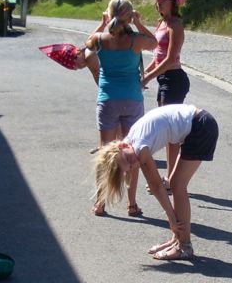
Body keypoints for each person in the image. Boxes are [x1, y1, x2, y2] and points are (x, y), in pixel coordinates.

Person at [93, 103, 217, 260]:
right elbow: (156, 186)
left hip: (201, 126)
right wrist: (172, 220)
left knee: (178, 186)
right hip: (199, 123)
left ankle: (184, 246)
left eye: (130, 160)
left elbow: (157, 185)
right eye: (130, 167)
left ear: (122, 145)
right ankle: (177, 240)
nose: (134, 163)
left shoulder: (139, 148)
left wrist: (172, 220)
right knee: (174, 184)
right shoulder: (130, 142)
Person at [78, 0, 156, 217]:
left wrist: (103, 24)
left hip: (107, 99)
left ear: (109, 14)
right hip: (132, 99)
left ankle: (100, 202)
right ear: (130, 16)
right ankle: (131, 204)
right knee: (133, 151)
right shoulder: (135, 40)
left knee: (105, 151)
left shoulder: (100, 39)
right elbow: (155, 42)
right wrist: (139, 23)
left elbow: (85, 48)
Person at [141, 0, 188, 194]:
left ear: (173, 2)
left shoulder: (175, 25)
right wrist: (143, 75)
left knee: (171, 133)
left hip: (174, 79)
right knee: (169, 130)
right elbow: (157, 57)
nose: (159, 2)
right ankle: (170, 179)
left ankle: (171, 180)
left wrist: (148, 77)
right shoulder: (161, 24)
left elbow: (170, 59)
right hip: (164, 79)